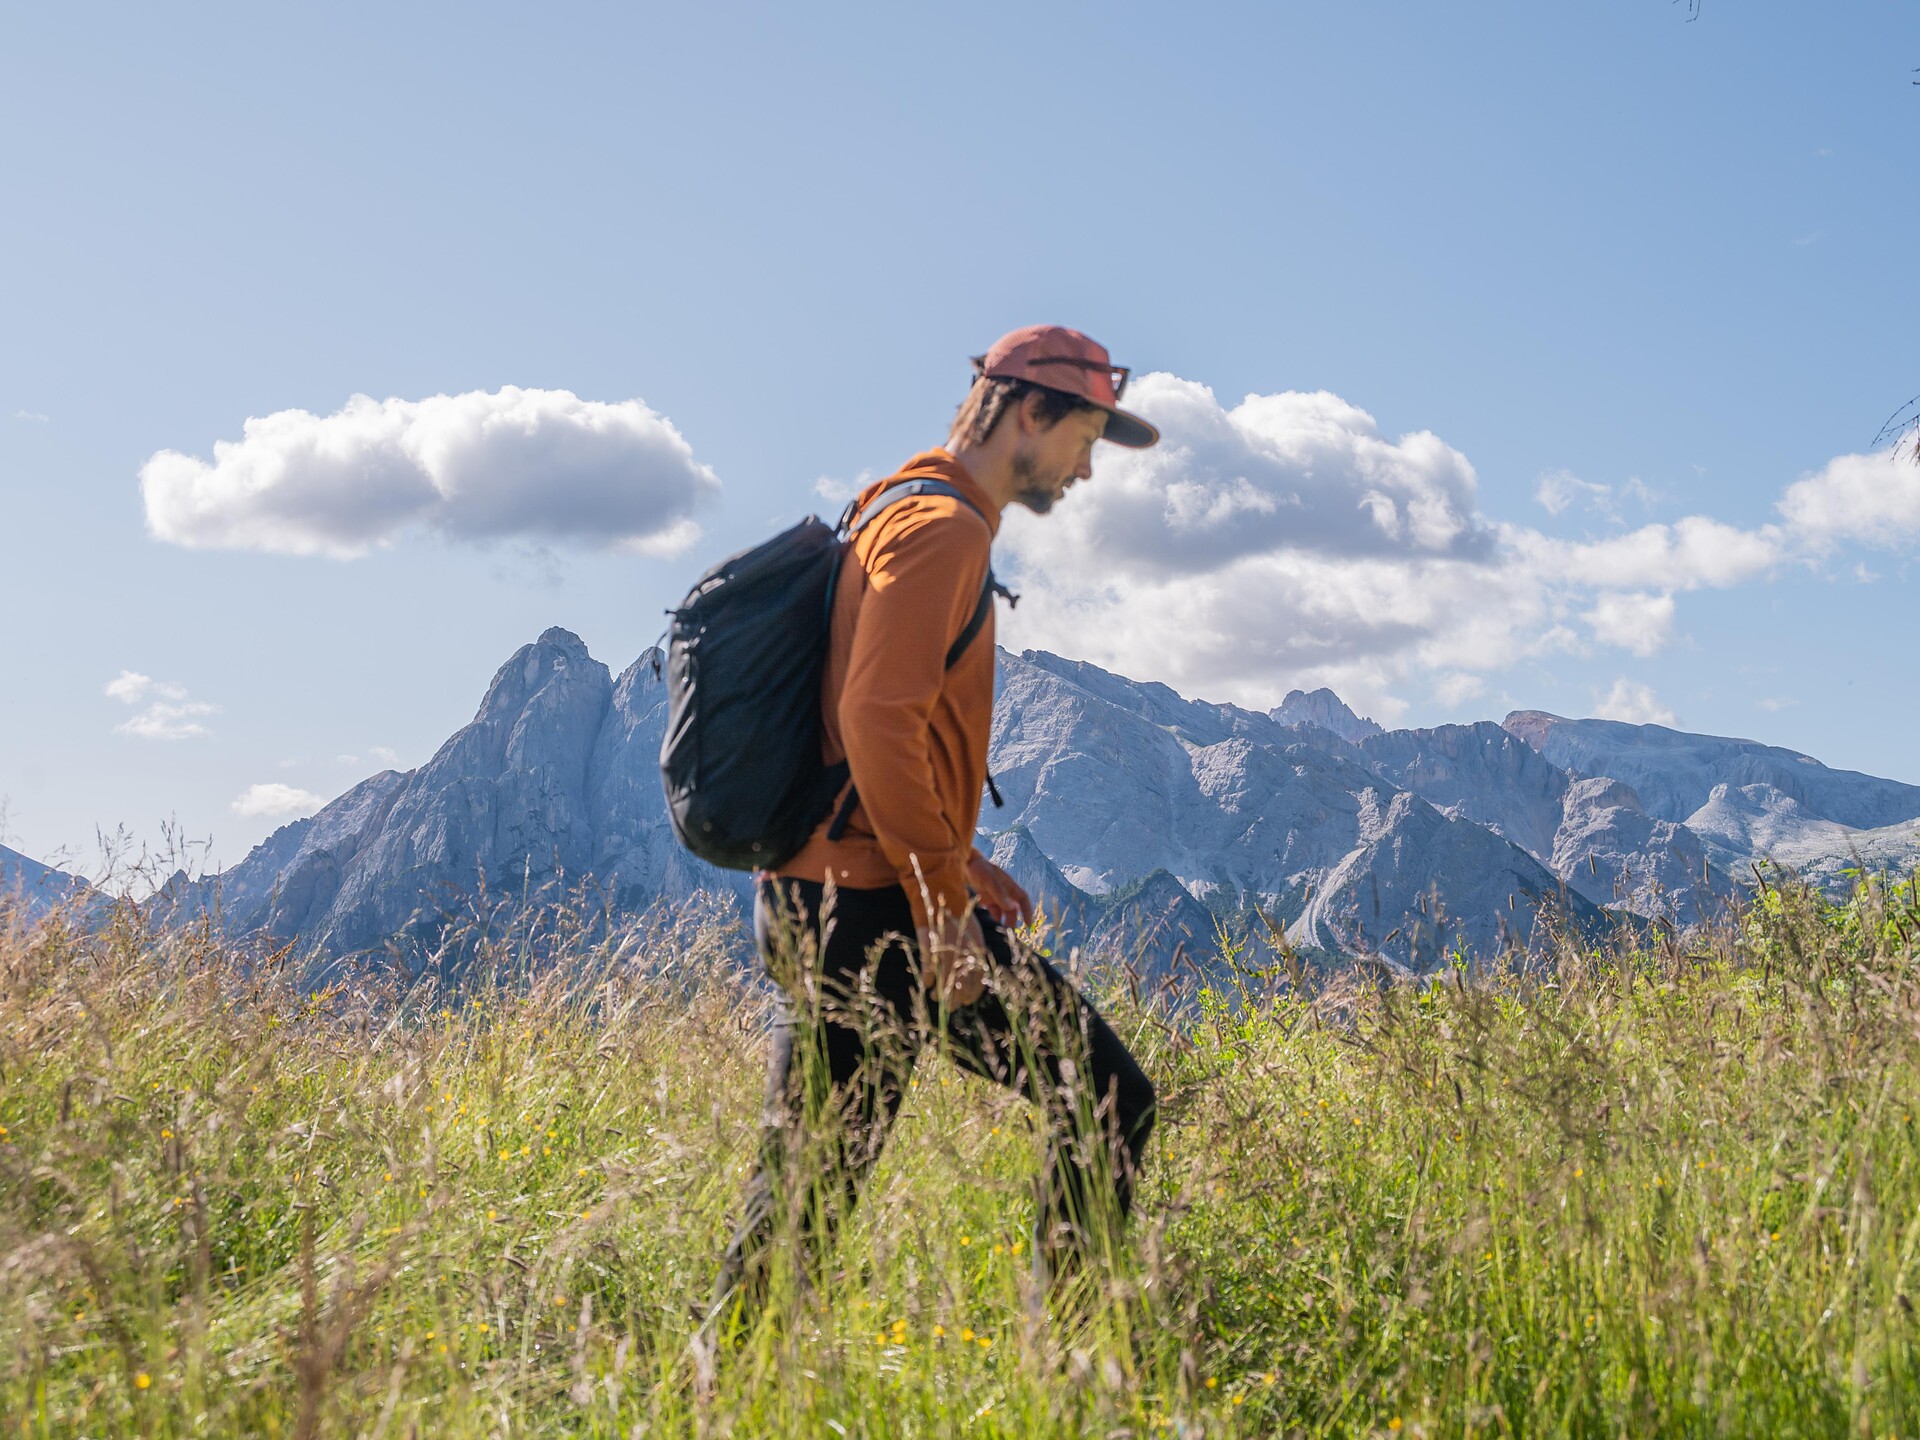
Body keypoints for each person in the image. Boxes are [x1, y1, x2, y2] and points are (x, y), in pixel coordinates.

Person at [707, 324, 1162, 1329]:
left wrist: (960, 855)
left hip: (829, 892)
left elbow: (867, 721)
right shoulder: (942, 530)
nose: (1087, 469)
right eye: (1084, 437)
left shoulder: (895, 505)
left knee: (803, 1204)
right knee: (1109, 1099)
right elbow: (877, 717)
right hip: (871, 912)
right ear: (1026, 412)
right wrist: (942, 907)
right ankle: (1072, 1362)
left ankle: (719, 1392)